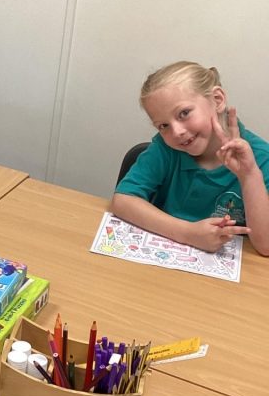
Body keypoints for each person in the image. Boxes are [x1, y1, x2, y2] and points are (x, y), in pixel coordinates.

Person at [111, 60, 269, 255]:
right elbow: (123, 200)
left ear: (217, 100)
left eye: (184, 113)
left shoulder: (261, 158)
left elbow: (266, 245)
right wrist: (188, 233)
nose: (176, 132)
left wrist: (249, 175)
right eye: (163, 126)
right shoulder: (165, 148)